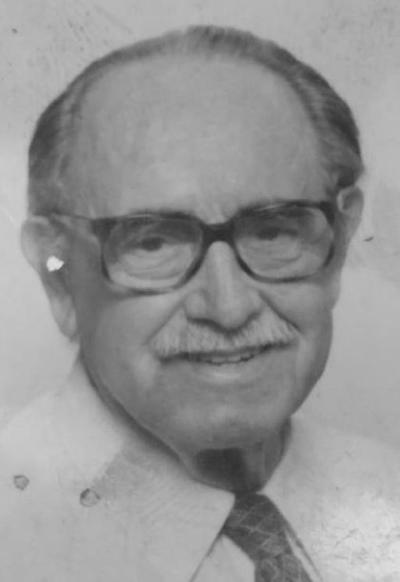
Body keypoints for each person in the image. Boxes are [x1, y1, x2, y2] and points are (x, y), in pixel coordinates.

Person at [1, 25, 399, 581]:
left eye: (274, 231)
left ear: (339, 246)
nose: (229, 308)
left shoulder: (386, 490)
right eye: (153, 242)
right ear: (59, 274)